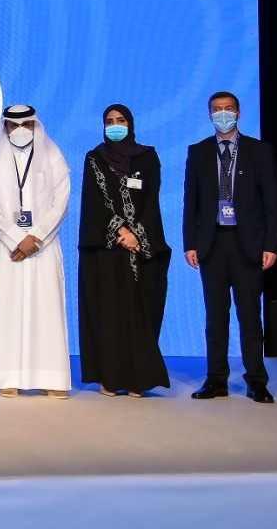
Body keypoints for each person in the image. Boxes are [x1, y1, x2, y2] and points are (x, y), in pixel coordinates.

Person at [184, 91, 277, 404]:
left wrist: (271, 244)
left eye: (227, 109)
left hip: (248, 243)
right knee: (216, 316)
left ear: (238, 114)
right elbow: (191, 203)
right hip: (212, 242)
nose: (221, 114)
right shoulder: (198, 152)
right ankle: (216, 380)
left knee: (250, 316)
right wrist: (190, 244)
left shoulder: (259, 150)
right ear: (209, 114)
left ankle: (256, 381)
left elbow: (273, 204)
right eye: (216, 109)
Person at [0, 105, 72, 398]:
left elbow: (61, 203)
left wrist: (36, 237)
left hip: (44, 246)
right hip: (7, 248)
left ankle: (50, 377)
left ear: (35, 125)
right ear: (4, 128)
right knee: (5, 309)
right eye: (13, 125)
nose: (19, 130)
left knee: (47, 309)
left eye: (26, 124)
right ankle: (7, 375)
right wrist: (18, 238)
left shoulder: (54, 157)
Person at [78, 104, 171, 397]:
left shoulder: (148, 156)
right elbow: (93, 202)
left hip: (141, 248)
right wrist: (121, 231)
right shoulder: (94, 158)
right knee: (108, 313)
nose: (115, 125)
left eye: (120, 120)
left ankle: (138, 378)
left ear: (131, 123)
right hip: (105, 250)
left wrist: (137, 236)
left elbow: (151, 200)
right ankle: (109, 376)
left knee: (138, 311)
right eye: (109, 121)